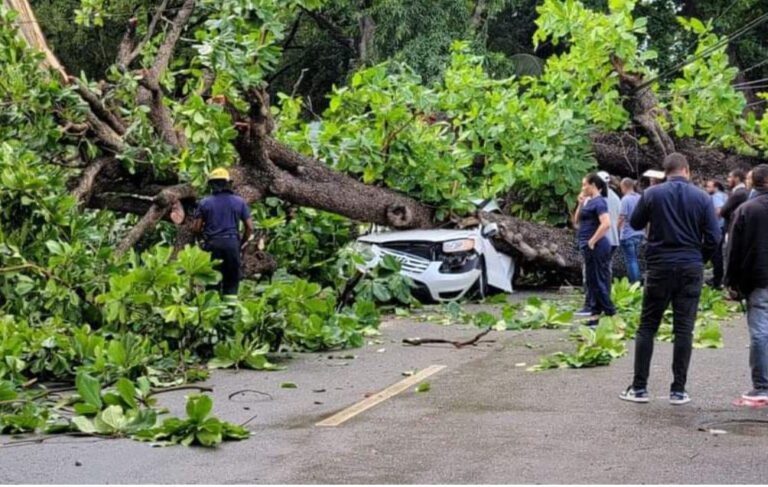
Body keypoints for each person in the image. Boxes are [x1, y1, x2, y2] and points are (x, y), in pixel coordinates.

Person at [619, 153, 721, 405]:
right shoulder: (702, 197)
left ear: (666, 172)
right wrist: (700, 257)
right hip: (690, 266)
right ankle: (678, 389)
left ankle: (640, 387)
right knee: (684, 328)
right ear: (686, 170)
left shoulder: (653, 194)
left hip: (660, 265)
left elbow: (635, 221)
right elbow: (714, 237)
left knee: (647, 326)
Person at [725, 164, 768, 401]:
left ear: (754, 182)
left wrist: (731, 282)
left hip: (758, 278)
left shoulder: (746, 210)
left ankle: (762, 385)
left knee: (760, 331)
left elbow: (733, 251)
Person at [192, 168, 254, 296]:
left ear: (211, 185)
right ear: (228, 183)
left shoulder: (205, 202)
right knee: (232, 280)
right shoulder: (239, 202)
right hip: (232, 244)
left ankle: (212, 311)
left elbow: (196, 228)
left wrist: (202, 240)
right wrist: (241, 243)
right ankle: (229, 313)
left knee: (212, 281)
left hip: (213, 245)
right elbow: (250, 227)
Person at [572, 173, 616, 327]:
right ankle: (595, 314)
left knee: (598, 280)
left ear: (594, 185)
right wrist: (579, 203)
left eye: (585, 185)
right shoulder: (588, 202)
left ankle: (611, 312)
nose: (583, 188)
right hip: (586, 244)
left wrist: (592, 240)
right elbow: (576, 221)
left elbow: (606, 224)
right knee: (591, 280)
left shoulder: (600, 203)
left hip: (596, 245)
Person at [618, 178, 644, 283]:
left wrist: (616, 229)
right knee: (635, 259)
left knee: (631, 260)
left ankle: (635, 283)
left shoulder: (625, 199)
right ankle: (638, 281)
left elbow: (621, 217)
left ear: (624, 186)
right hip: (640, 233)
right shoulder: (640, 198)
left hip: (628, 234)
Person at [705, 179, 728, 289]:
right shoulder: (724, 195)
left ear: (715, 187)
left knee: (715, 255)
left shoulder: (716, 197)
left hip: (716, 228)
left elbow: (718, 211)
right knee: (716, 254)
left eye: (709, 187)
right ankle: (717, 279)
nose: (707, 189)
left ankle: (717, 281)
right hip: (722, 228)